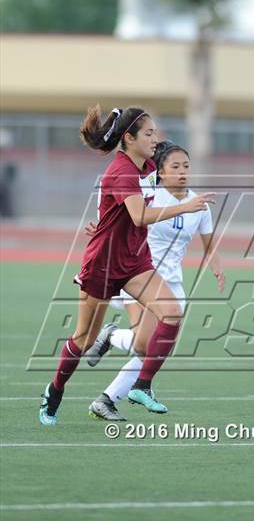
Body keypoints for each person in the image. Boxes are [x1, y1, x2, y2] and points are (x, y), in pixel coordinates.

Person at [39, 106, 215, 425]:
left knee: (172, 312)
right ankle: (54, 390)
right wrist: (186, 206)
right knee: (84, 340)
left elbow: (160, 164)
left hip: (135, 261)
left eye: (155, 132)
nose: (154, 138)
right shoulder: (122, 171)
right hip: (103, 263)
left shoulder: (144, 163)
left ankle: (142, 386)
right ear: (129, 138)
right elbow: (138, 216)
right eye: (148, 133)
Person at [86, 140, 225, 421]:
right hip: (140, 275)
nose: (183, 171)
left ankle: (106, 399)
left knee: (150, 348)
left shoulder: (200, 204)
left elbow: (210, 247)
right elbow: (121, 216)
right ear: (160, 173)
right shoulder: (149, 195)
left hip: (172, 284)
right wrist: (101, 233)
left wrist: (217, 268)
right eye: (175, 166)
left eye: (186, 166)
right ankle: (112, 344)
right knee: (144, 346)